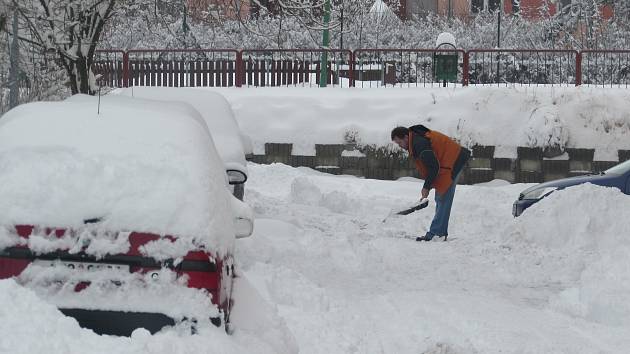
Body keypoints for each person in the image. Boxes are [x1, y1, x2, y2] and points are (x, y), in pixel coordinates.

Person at [391, 125, 470, 241]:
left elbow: (434, 167)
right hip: (447, 161)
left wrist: (426, 187)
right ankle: (439, 232)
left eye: (399, 142)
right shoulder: (415, 141)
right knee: (441, 197)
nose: (400, 146)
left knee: (443, 197)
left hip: (454, 160)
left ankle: (437, 233)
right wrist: (429, 184)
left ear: (406, 137)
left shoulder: (419, 144)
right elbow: (432, 165)